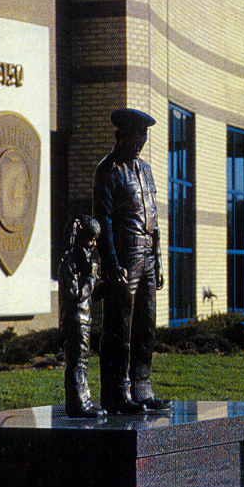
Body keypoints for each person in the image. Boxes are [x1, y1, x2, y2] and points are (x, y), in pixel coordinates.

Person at [93, 107, 170, 413]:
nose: (140, 143)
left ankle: (142, 388)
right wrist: (111, 264)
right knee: (119, 327)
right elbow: (104, 221)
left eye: (144, 137)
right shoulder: (109, 171)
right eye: (136, 137)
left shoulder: (146, 170)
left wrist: (160, 259)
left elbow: (154, 217)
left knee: (146, 325)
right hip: (125, 257)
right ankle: (116, 392)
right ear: (120, 135)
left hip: (148, 254)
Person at [59, 215, 105, 418]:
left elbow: (90, 296)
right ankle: (78, 403)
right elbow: (77, 296)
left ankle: (82, 401)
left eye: (95, 241)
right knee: (77, 362)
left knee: (82, 361)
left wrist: (108, 285)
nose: (92, 246)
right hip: (76, 321)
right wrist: (91, 277)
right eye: (90, 240)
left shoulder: (81, 266)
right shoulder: (69, 265)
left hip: (84, 320)